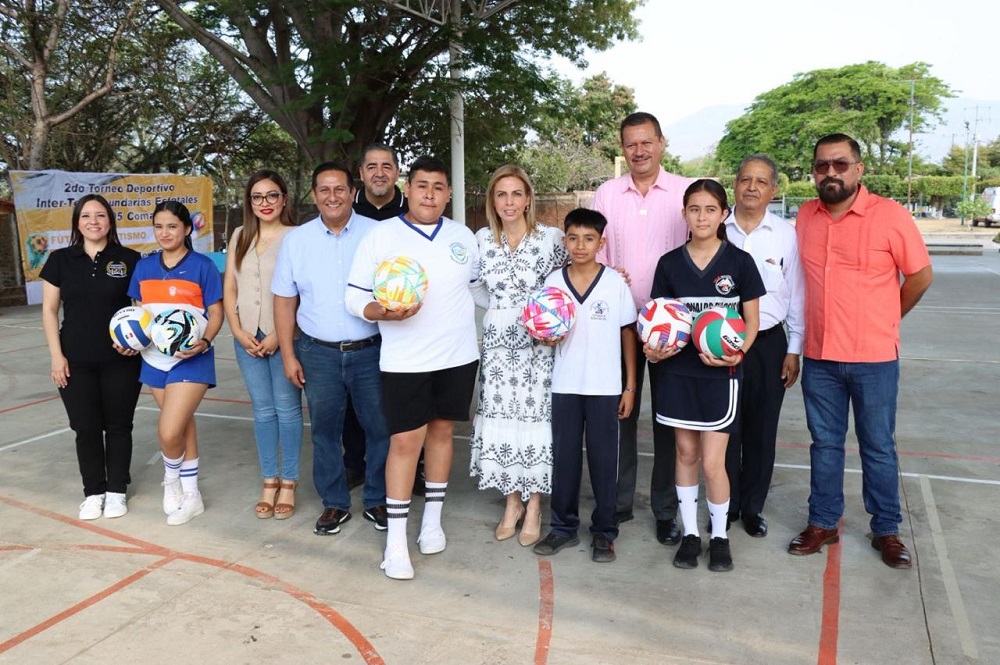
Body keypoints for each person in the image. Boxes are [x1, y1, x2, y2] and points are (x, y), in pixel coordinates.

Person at [788, 134, 933, 569]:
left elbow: (921, 277)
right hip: (820, 356)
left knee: (878, 446)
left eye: (840, 164)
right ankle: (823, 522)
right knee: (825, 444)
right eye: (821, 166)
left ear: (858, 169)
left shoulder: (890, 216)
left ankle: (886, 529)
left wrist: (888, 319)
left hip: (874, 358)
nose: (830, 172)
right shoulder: (805, 218)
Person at [346, 156, 480, 580]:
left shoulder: (463, 237)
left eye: (439, 187)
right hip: (405, 360)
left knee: (442, 434)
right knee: (405, 443)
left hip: (458, 355)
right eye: (423, 185)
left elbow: (480, 290)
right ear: (409, 187)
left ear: (449, 193)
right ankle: (395, 543)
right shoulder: (381, 235)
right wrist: (379, 312)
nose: (430, 194)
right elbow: (353, 296)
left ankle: (432, 522)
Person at [645, 180, 765, 572]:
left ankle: (720, 537)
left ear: (723, 214)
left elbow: (751, 322)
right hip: (678, 372)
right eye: (694, 209)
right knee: (685, 454)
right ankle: (691, 534)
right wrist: (653, 348)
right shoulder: (669, 264)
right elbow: (656, 319)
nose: (701, 216)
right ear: (684, 214)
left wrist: (737, 353)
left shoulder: (739, 263)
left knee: (714, 463)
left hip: (720, 373)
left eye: (710, 209)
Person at [272, 161, 391, 537]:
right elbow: (284, 300)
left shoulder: (379, 234)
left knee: (380, 428)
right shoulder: (297, 240)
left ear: (352, 192)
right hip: (317, 353)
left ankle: (377, 499)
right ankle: (335, 504)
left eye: (339, 189)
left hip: (371, 350)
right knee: (324, 432)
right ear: (313, 195)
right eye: (324, 190)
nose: (332, 196)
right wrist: (289, 355)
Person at [593, 111, 695, 546]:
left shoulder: (685, 193)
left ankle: (666, 509)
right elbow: (593, 252)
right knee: (620, 414)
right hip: (619, 325)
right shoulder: (606, 193)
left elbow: (700, 249)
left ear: (661, 143)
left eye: (646, 142)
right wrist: (606, 269)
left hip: (673, 329)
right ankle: (617, 503)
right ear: (623, 147)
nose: (639, 151)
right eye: (631, 144)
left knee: (670, 421)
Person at [469, 164, 567, 546]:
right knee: (502, 418)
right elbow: (475, 286)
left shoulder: (550, 238)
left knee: (534, 420)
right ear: (493, 200)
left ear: (528, 199)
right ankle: (512, 502)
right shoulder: (482, 239)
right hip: (496, 346)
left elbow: (568, 284)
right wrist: (498, 308)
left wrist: (544, 320)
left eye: (516, 194)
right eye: (501, 194)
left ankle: (536, 504)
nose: (509, 202)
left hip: (538, 346)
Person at [531, 208, 637, 563]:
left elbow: (627, 334)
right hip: (565, 385)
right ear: (565, 241)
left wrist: (630, 386)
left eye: (589, 238)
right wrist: (545, 338)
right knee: (565, 460)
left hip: (606, 387)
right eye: (573, 238)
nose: (580, 245)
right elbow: (544, 330)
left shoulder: (614, 283)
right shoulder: (552, 282)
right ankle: (562, 527)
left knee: (605, 463)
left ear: (601, 242)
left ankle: (605, 532)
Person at [40, 194, 142, 520]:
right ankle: (93, 492)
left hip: (120, 360)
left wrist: (135, 343)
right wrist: (57, 357)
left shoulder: (129, 259)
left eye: (100, 215)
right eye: (86, 216)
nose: (94, 221)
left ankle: (116, 491)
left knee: (118, 426)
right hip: (75, 360)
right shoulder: (60, 260)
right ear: (77, 222)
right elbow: (49, 310)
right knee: (85, 427)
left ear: (110, 221)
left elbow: (140, 309)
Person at [723, 155, 805, 538]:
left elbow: (797, 292)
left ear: (773, 190)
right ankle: (726, 504)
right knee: (725, 429)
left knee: (760, 430)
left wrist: (795, 347)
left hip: (770, 344)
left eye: (761, 181)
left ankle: (753, 508)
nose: (752, 187)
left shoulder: (785, 234)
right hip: (721, 343)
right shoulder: (715, 229)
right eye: (745, 180)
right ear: (734, 185)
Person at [128, 200, 224, 526]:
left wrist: (205, 341)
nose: (165, 232)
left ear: (186, 229)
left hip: (191, 358)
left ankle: (170, 479)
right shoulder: (144, 267)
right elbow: (138, 313)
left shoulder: (202, 266)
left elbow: (217, 312)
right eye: (158, 226)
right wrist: (129, 340)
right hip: (154, 358)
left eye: (172, 226)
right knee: (182, 424)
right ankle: (191, 494)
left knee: (169, 430)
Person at [223, 170, 303, 520]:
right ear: (249, 202)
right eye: (257, 197)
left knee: (287, 410)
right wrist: (238, 330)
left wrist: (278, 336)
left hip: (283, 337)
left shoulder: (298, 237)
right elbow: (230, 288)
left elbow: (304, 292)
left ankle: (289, 482)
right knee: (262, 411)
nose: (265, 203)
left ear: (284, 199)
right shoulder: (240, 235)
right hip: (246, 337)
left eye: (272, 196)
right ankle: (269, 479)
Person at [344, 143, 411, 492]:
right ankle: (355, 463)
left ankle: (414, 467)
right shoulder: (345, 211)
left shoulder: (413, 209)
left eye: (387, 166)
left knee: (407, 400)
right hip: (361, 322)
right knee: (357, 403)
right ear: (361, 173)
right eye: (372, 166)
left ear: (397, 173)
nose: (379, 173)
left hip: (408, 322)